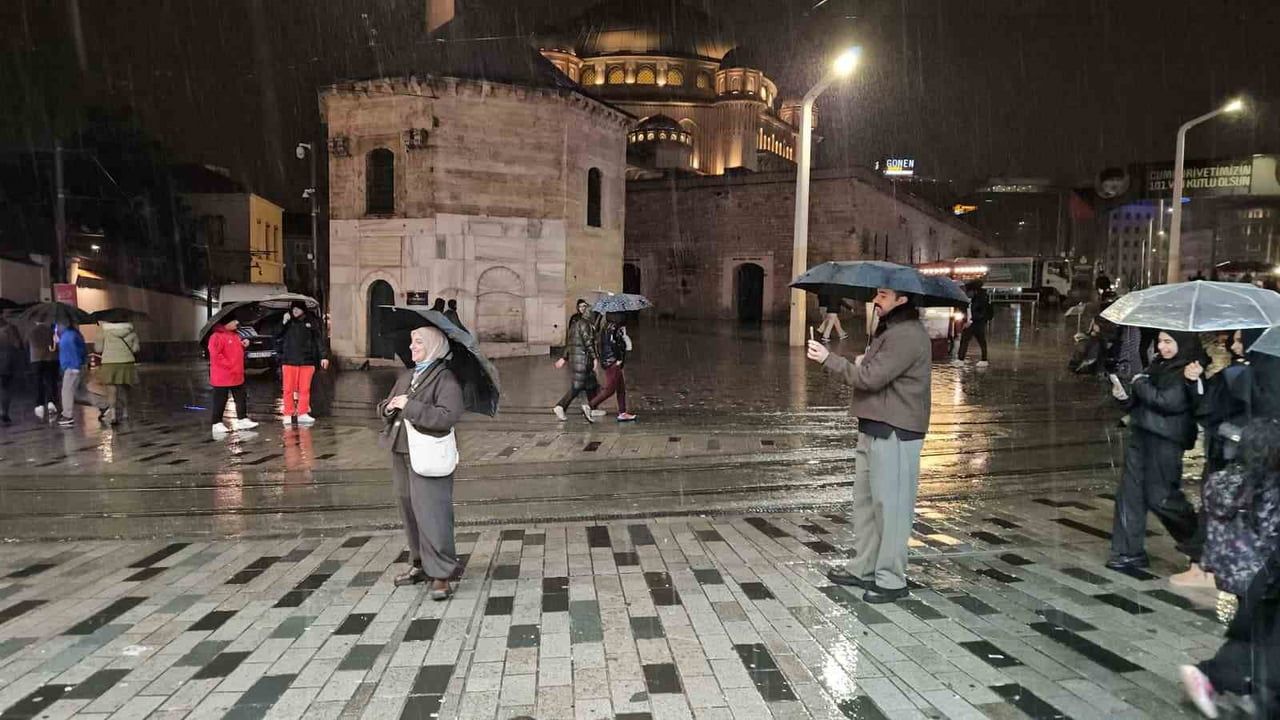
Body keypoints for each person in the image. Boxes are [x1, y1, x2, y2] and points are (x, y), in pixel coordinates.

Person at [808, 288, 932, 603]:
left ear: (902, 300)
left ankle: (891, 579)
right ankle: (863, 568)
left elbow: (870, 379)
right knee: (866, 505)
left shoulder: (906, 335)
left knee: (891, 509)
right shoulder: (889, 331)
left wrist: (829, 360)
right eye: (877, 296)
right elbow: (872, 371)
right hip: (875, 426)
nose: (877, 301)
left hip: (896, 431)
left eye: (884, 296)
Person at [1180, 419, 1280, 717]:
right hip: (1264, 577)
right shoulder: (1268, 490)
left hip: (1233, 575)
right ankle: (1220, 677)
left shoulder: (1220, 482)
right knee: (1264, 635)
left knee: (1258, 633)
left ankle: (1232, 682)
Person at [378, 325, 464, 600]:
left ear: (434, 346)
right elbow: (386, 405)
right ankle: (420, 564)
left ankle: (441, 573)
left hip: (428, 455)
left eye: (418, 342)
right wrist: (388, 407)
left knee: (433, 512)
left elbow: (447, 416)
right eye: (412, 341)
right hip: (401, 451)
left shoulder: (445, 378)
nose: (412, 347)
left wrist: (409, 406)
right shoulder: (408, 375)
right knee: (409, 510)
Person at [1106, 330, 1201, 571]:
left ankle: (1201, 546)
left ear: (1182, 343)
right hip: (1141, 434)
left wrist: (1139, 382)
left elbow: (1168, 401)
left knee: (1162, 498)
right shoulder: (1157, 365)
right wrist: (1123, 396)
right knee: (1130, 495)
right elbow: (1141, 400)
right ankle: (1127, 552)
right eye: (1160, 341)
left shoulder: (1190, 370)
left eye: (1169, 342)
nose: (1162, 347)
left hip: (1165, 440)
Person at [1174, 331, 1256, 588]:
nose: (1234, 344)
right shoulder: (1242, 372)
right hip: (1238, 452)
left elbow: (1210, 408)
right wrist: (1196, 382)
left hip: (1232, 453)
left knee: (1217, 506)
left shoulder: (1242, 375)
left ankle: (1204, 568)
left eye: (1241, 340)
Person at [275, 300, 329, 426]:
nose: (295, 311)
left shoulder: (311, 323)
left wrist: (323, 356)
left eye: (297, 309)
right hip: (289, 360)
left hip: (307, 361)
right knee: (288, 389)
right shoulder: (286, 322)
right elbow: (276, 335)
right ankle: (288, 413)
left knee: (304, 389)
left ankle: (302, 412)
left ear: (303, 310)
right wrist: (283, 322)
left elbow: (318, 340)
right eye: (293, 309)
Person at [208, 318, 258, 435]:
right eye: (233, 321)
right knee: (220, 399)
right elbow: (216, 355)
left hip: (236, 374)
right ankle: (216, 423)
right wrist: (230, 365)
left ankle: (242, 419)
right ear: (226, 323)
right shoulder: (216, 336)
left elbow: (234, 350)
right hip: (223, 375)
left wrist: (243, 345)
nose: (236, 322)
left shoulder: (235, 335)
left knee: (241, 397)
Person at [583, 312, 636, 423]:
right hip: (612, 362)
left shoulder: (607, 327)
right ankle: (590, 405)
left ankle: (622, 413)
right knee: (610, 390)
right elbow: (614, 344)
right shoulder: (613, 328)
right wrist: (618, 358)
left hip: (609, 361)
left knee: (621, 388)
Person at [554, 299, 601, 421]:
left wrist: (564, 358)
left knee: (592, 384)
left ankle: (590, 407)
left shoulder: (577, 324)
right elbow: (588, 343)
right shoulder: (585, 325)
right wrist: (595, 358)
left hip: (577, 359)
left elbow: (570, 343)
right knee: (577, 387)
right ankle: (560, 406)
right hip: (583, 360)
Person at [56, 323, 108, 428]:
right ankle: (104, 405)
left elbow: (71, 353)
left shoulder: (68, 336)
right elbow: (82, 350)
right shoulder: (75, 334)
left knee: (67, 391)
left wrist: (74, 367)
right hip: (78, 366)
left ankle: (67, 416)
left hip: (72, 367)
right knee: (79, 394)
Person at [95, 321, 140, 426]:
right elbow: (135, 349)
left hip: (109, 363)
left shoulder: (103, 332)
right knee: (125, 389)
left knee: (111, 390)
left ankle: (114, 415)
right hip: (126, 363)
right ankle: (125, 412)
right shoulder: (131, 332)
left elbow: (98, 349)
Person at [953, 280, 991, 367]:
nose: (967, 293)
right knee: (964, 340)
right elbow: (965, 311)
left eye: (968, 291)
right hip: (970, 323)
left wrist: (971, 321)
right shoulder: (968, 300)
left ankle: (984, 360)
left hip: (978, 324)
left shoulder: (981, 300)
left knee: (981, 341)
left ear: (974, 291)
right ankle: (960, 359)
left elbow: (982, 314)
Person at [26, 322, 59, 421]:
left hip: (35, 360)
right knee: (50, 380)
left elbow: (25, 343)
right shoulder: (50, 331)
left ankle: (39, 404)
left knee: (38, 382)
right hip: (49, 359)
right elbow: (55, 344)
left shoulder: (31, 331)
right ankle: (50, 402)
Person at [0, 317, 23, 424]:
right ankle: (4, 412)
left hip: (6, 363)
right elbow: (18, 344)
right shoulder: (10, 329)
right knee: (6, 388)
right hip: (6, 363)